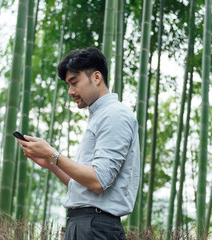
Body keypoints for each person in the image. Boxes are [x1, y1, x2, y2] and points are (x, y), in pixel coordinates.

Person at [17, 47, 140, 240]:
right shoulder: (99, 117)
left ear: (96, 78)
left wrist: (52, 154)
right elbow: (84, 186)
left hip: (96, 227)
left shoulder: (115, 115)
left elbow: (98, 181)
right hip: (83, 224)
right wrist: (50, 163)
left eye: (74, 82)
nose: (70, 91)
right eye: (68, 85)